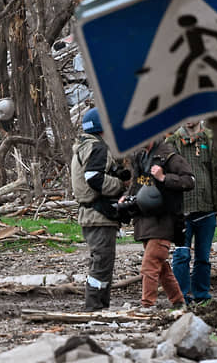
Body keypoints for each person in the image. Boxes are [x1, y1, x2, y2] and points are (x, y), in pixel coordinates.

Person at [123, 136, 194, 311]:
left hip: (165, 220)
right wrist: (127, 197)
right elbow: (137, 184)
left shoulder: (169, 156)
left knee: (150, 264)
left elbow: (190, 180)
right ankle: (178, 302)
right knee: (160, 266)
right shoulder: (139, 157)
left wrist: (164, 177)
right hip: (144, 220)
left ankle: (147, 305)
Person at [166, 120, 217, 305]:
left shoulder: (212, 140)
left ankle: (202, 296)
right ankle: (181, 297)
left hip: (207, 208)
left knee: (203, 257)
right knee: (181, 255)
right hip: (181, 211)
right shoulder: (171, 142)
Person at [71, 107, 131, 311]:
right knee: (102, 263)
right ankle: (94, 307)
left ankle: (99, 306)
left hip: (90, 215)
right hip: (98, 215)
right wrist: (120, 185)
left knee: (100, 262)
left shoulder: (83, 147)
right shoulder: (98, 148)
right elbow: (94, 178)